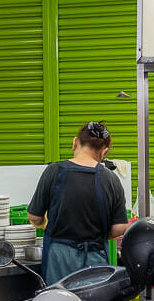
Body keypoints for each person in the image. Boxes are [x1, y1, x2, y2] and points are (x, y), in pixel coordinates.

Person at [28, 121, 130, 284]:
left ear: (75, 142)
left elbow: (34, 216)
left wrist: (42, 222)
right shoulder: (110, 179)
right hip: (95, 260)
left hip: (58, 259)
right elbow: (118, 228)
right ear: (103, 151)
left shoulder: (54, 171)